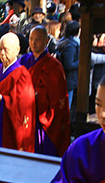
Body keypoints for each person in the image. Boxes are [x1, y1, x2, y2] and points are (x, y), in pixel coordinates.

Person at [20, 25, 70, 156]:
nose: (33, 43)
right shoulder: (24, 61)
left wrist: (35, 96)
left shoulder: (54, 66)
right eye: (31, 39)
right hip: (26, 115)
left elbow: (58, 98)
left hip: (43, 117)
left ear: (46, 41)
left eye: (38, 39)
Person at [56, 21, 80, 109]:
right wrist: (80, 62)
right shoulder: (70, 45)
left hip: (64, 79)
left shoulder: (63, 41)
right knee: (66, 107)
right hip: (68, 80)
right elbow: (69, 64)